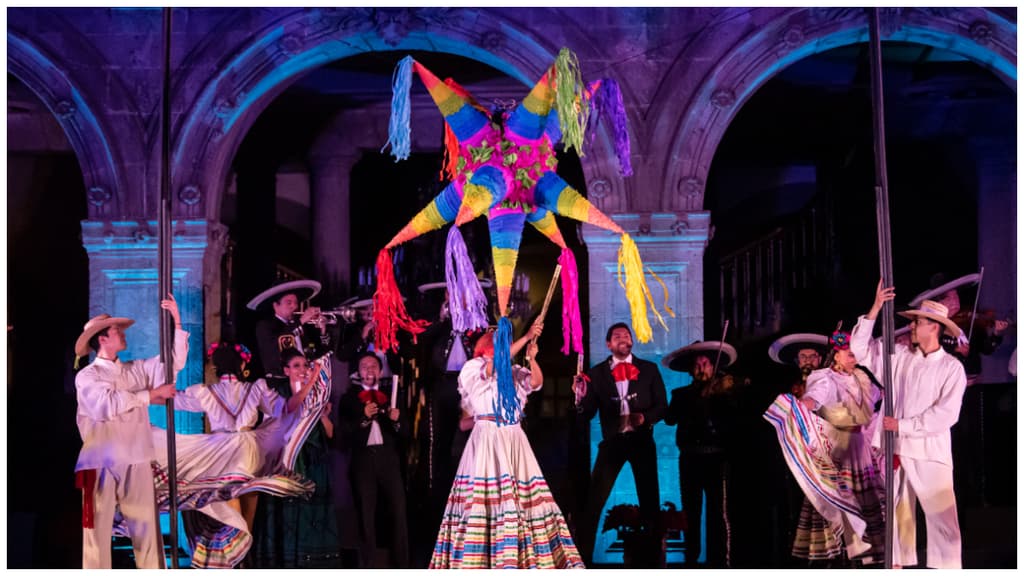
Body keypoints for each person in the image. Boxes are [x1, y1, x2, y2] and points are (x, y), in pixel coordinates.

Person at [148, 347, 332, 568]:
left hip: (221, 454)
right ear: (242, 365)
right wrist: (312, 382)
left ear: (216, 367)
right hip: (249, 453)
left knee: (231, 517)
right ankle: (242, 562)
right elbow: (287, 408)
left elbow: (170, 399)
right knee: (247, 518)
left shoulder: (206, 392)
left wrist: (142, 396)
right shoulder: (255, 388)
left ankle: (234, 564)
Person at [431, 321, 584, 568]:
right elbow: (494, 366)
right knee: (486, 498)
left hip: (513, 437)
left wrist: (532, 359)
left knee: (520, 497)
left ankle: (517, 558)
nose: (497, 338)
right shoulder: (473, 368)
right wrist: (526, 336)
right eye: (493, 336)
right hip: (487, 437)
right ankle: (481, 559)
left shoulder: (513, 370)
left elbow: (536, 383)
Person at [850, 280, 967, 569]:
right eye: (913, 322)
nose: (911, 327)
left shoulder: (951, 368)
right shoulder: (900, 358)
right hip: (898, 449)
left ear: (934, 327)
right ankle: (897, 568)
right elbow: (860, 350)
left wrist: (902, 425)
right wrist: (875, 308)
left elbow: (946, 414)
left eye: (918, 323)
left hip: (929, 451)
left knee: (943, 521)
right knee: (899, 519)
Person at [72, 294, 185, 569]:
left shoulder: (134, 370)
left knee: (147, 531)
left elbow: (171, 364)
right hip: (101, 460)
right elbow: (105, 405)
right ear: (102, 338)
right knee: (96, 535)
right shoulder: (87, 376)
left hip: (135, 456)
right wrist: (149, 395)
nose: (123, 334)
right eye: (116, 330)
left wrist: (177, 322)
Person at [764, 330, 885, 566]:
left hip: (856, 451)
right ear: (837, 356)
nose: (854, 358)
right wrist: (800, 406)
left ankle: (860, 560)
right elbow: (814, 397)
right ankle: (836, 561)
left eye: (855, 354)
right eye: (849, 354)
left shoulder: (861, 379)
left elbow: (878, 396)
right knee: (836, 507)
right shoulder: (823, 379)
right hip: (830, 451)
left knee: (861, 506)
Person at [573, 322, 667, 567]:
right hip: (613, 443)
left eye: (626, 335)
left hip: (642, 441)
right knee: (593, 503)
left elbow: (662, 406)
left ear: (632, 341)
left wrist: (645, 417)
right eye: (617, 336)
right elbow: (587, 414)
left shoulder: (649, 369)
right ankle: (582, 562)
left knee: (650, 503)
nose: (623, 338)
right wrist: (580, 399)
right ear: (608, 344)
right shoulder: (596, 374)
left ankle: (654, 563)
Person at [662, 340, 739, 568]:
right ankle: (691, 561)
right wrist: (699, 397)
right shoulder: (681, 394)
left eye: (706, 363)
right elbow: (670, 419)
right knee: (690, 513)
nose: (701, 367)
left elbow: (735, 420)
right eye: (697, 364)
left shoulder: (724, 393)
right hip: (690, 459)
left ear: (713, 367)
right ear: (690, 370)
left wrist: (718, 394)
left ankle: (720, 562)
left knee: (718, 512)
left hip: (717, 460)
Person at [339, 352, 410, 568]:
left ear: (380, 371)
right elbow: (342, 437)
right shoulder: (349, 398)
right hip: (363, 460)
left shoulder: (393, 394)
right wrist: (364, 417)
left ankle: (402, 564)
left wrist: (396, 421)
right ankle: (367, 565)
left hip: (389, 458)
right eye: (364, 366)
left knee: (398, 511)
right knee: (365, 514)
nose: (369, 369)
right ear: (358, 372)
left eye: (373, 366)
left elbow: (406, 433)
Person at [249, 279, 329, 382]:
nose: (295, 306)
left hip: (304, 382)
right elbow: (278, 343)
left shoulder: (299, 327)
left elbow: (319, 355)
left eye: (296, 303)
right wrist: (301, 321)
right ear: (276, 306)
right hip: (280, 383)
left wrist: (323, 331)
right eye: (289, 303)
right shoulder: (265, 326)